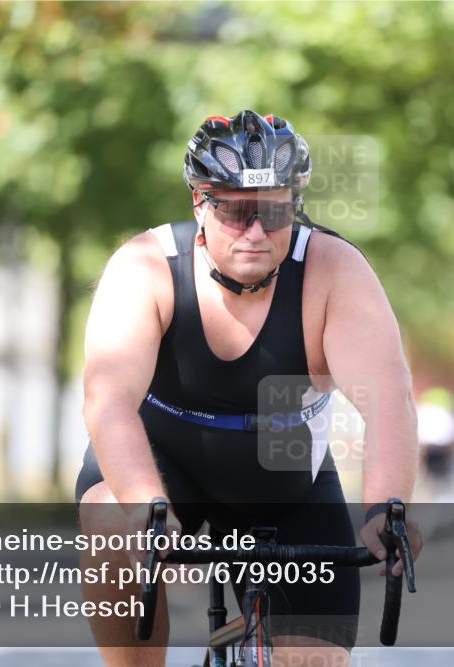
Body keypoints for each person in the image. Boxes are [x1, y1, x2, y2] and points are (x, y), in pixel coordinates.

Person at [75, 110, 423, 667]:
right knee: (111, 525)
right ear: (200, 202)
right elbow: (108, 400)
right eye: (236, 210)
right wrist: (145, 508)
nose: (257, 231)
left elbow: (387, 399)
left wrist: (387, 505)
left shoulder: (335, 270)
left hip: (284, 484)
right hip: (163, 467)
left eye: (276, 210)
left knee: (315, 662)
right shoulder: (144, 266)